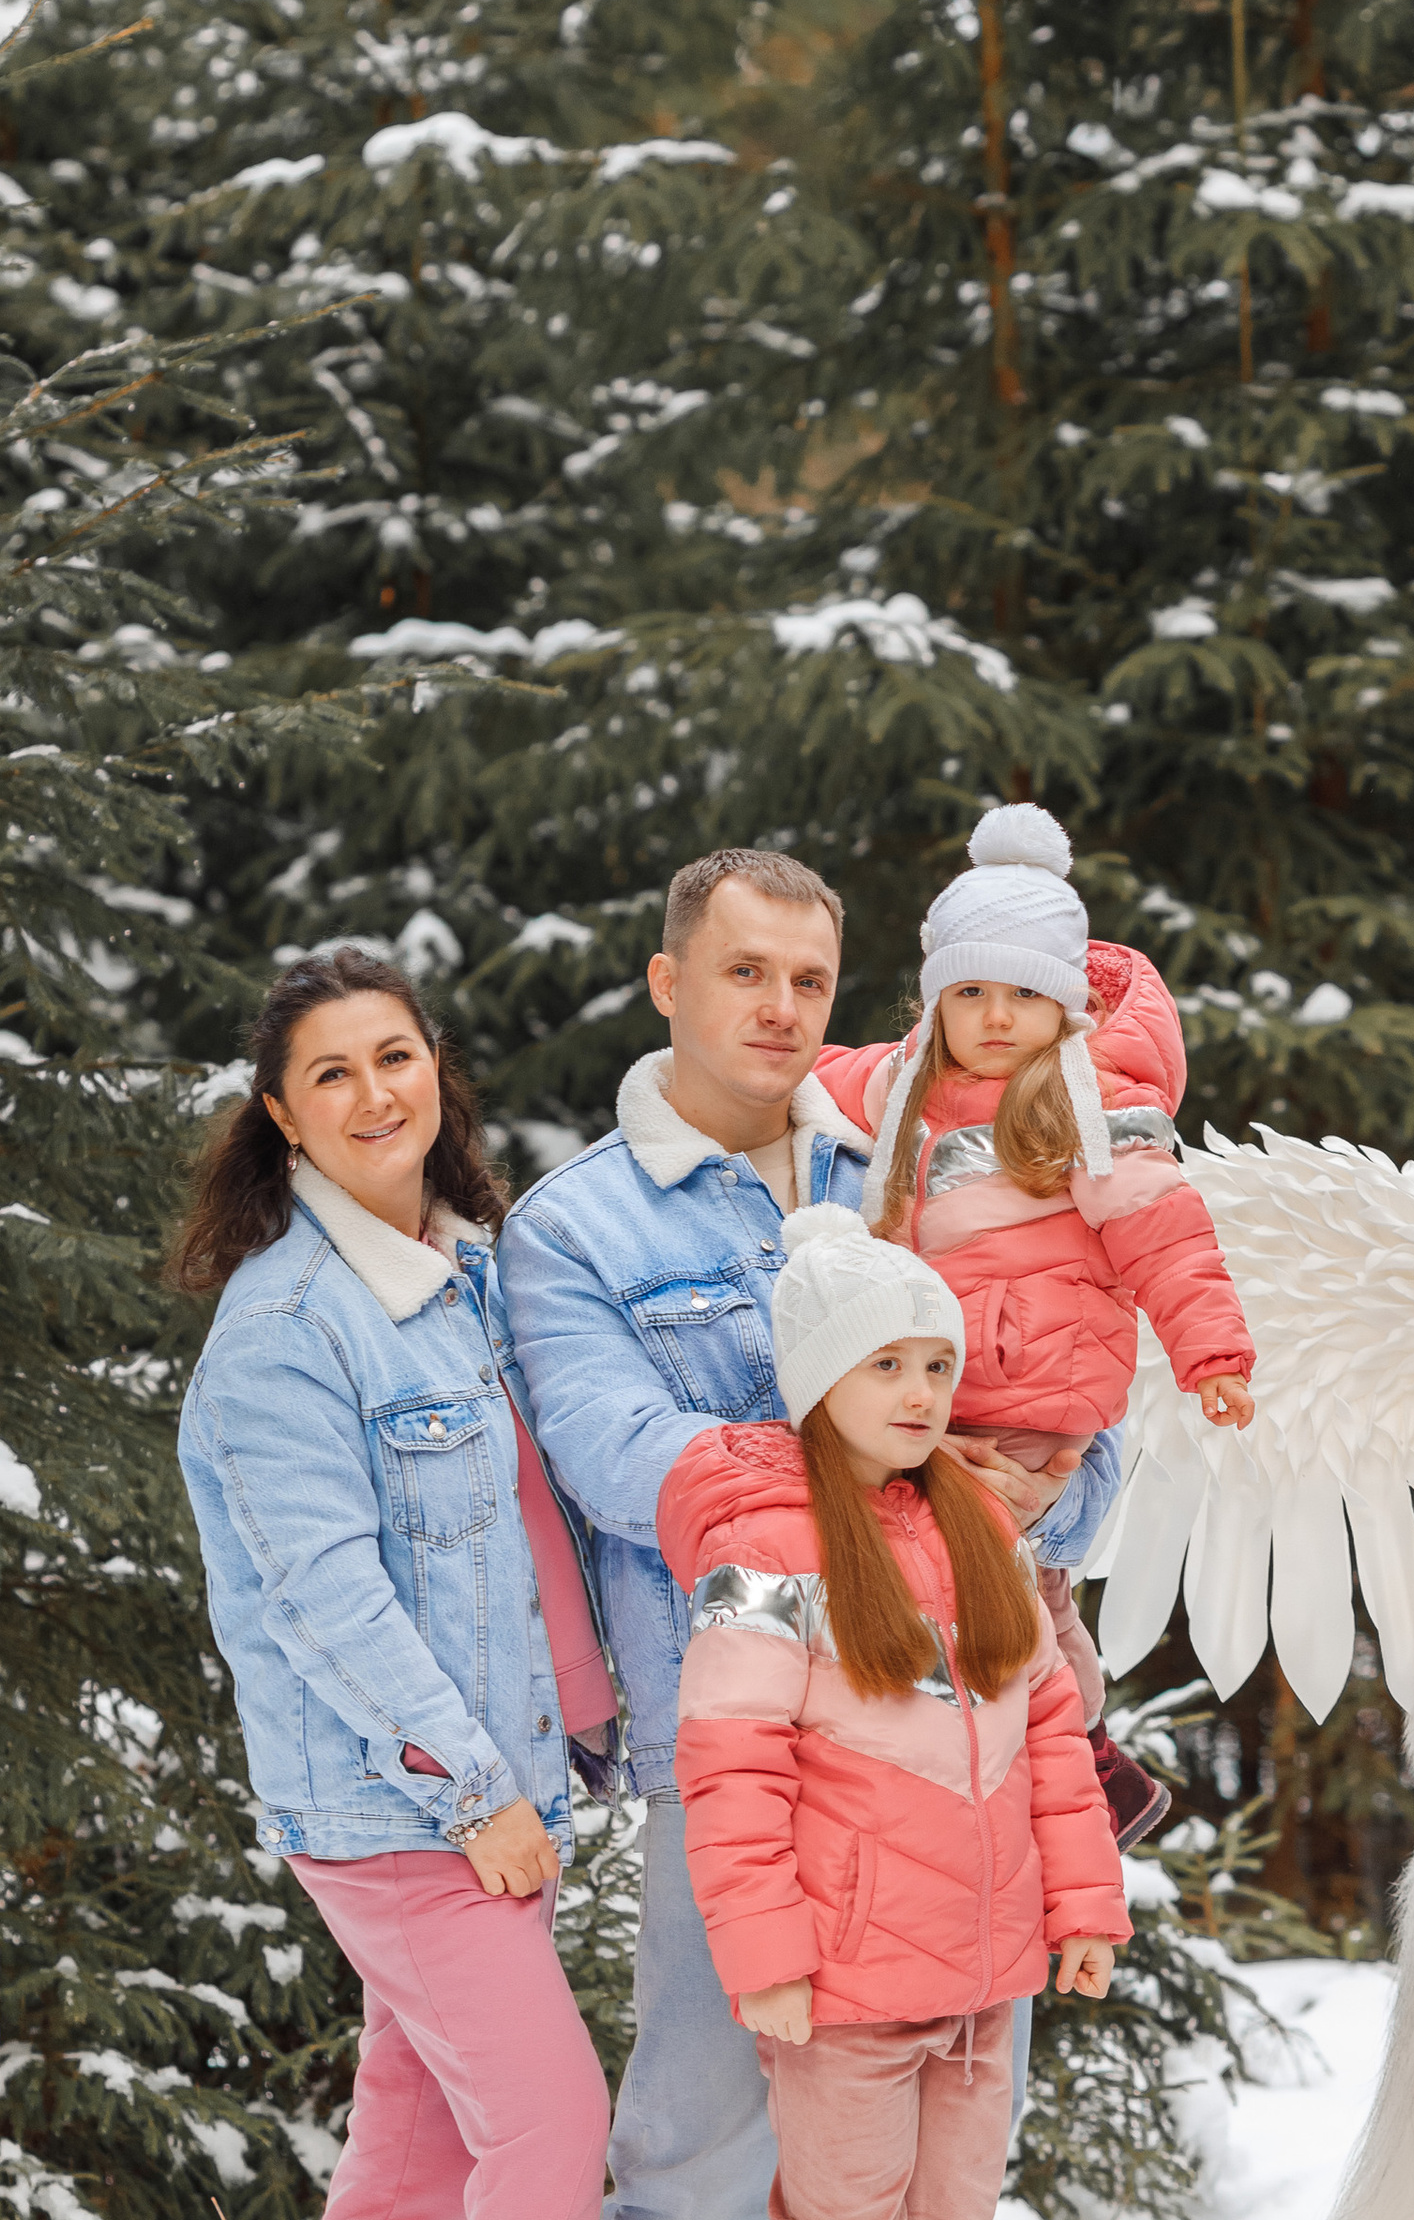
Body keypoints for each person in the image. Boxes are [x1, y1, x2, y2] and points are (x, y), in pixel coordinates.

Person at [502, 850, 1124, 2220]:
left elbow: (1083, 1403)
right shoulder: (575, 1231)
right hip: (746, 1752)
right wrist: (903, 1465)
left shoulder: (930, 1165)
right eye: (743, 972)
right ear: (668, 983)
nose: (781, 1006)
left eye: (810, 980)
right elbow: (625, 1462)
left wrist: (1032, 1486)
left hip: (963, 1749)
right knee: (705, 2149)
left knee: (949, 2152)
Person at [172, 947, 614, 2219]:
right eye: (331, 1071)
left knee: (414, 2155)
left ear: (435, 1071)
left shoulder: (466, 1275)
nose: (373, 1093)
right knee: (551, 2126)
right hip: (405, 1809)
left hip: (492, 1779)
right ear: (280, 1111)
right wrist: (476, 1797)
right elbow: (327, 1603)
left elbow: (530, 1525)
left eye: (394, 1056)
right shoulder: (288, 1328)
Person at [665, 1206, 1129, 2220]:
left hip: (982, 1985)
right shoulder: (765, 1547)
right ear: (818, 1378)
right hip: (848, 1992)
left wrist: (1084, 1902)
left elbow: (1049, 1732)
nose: (919, 1393)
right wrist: (768, 1959)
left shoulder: (981, 1525)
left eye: (935, 1365)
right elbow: (730, 1768)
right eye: (884, 1365)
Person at [813, 805, 1257, 1846]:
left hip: (1037, 1396)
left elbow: (1165, 1234)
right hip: (941, 1400)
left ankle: (1064, 1762)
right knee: (1026, 1595)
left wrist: (1213, 1353)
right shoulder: (909, 1085)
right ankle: (1089, 1761)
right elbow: (814, 1078)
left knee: (999, 1582)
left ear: (1065, 1003)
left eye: (1024, 992)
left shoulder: (1086, 1101)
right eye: (971, 991)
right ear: (937, 1002)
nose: (997, 1014)